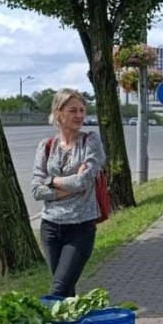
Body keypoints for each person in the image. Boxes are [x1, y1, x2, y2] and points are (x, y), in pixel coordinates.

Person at [31, 88, 106, 297]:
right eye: (73, 110)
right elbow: (36, 190)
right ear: (58, 113)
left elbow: (83, 181)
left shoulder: (90, 141)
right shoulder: (46, 146)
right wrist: (64, 188)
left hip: (80, 228)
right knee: (66, 291)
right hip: (50, 228)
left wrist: (51, 181)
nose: (80, 115)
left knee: (58, 290)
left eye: (82, 110)